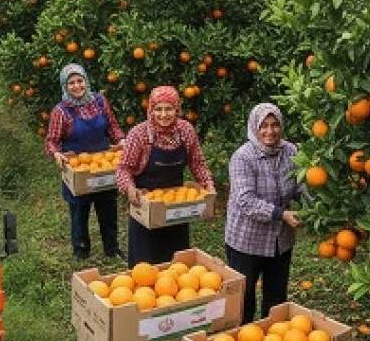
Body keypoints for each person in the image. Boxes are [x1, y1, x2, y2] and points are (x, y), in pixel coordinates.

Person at [116, 86, 215, 267]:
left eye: (169, 109)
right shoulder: (139, 135)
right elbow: (123, 169)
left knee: (176, 263)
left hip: (176, 206)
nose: (163, 114)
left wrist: (208, 185)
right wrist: (130, 188)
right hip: (145, 205)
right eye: (158, 109)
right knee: (144, 266)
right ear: (151, 110)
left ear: (177, 109)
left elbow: (197, 162)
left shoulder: (185, 131)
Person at [225, 103, 302, 323]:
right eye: (264, 126)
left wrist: (313, 206)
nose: (270, 131)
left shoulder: (291, 151)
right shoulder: (243, 157)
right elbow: (245, 201)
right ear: (254, 127)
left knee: (276, 299)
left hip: (281, 241)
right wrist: (282, 214)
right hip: (246, 241)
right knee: (243, 299)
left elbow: (300, 186)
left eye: (275, 125)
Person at [45, 63, 126, 261]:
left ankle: (112, 248)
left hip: (104, 164)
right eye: (71, 83)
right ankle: (81, 251)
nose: (76, 86)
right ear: (65, 86)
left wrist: (121, 140)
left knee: (108, 207)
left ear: (86, 81)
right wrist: (56, 154)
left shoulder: (99, 101)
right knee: (79, 211)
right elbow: (52, 141)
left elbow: (113, 127)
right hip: (78, 169)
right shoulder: (61, 111)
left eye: (80, 81)